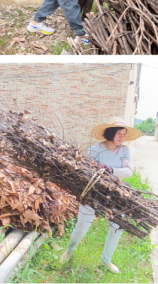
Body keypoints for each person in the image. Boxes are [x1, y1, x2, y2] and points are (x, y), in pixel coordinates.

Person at [60, 117, 143, 273]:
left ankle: (106, 260)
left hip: (115, 194)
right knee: (81, 227)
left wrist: (111, 170)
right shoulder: (95, 150)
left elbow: (128, 171)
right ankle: (69, 251)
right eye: (119, 133)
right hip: (93, 193)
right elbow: (84, 171)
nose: (122, 137)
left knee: (117, 226)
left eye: (124, 134)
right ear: (110, 132)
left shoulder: (125, 150)